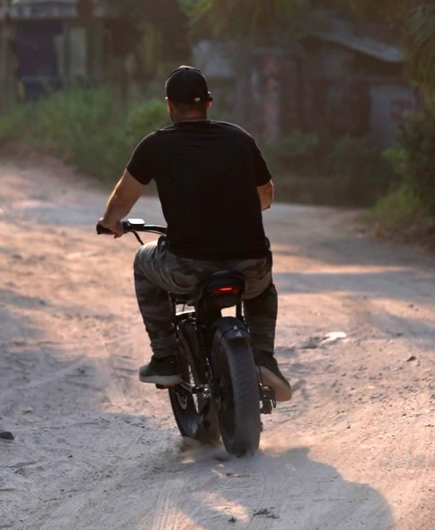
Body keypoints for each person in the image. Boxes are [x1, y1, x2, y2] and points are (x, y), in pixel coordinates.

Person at [98, 66, 292, 402]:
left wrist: (110, 221)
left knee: (143, 261)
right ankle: (263, 355)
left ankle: (166, 359)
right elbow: (266, 195)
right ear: (209, 104)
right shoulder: (239, 139)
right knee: (263, 285)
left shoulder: (156, 145)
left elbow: (124, 196)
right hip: (249, 265)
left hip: (189, 266)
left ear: (169, 105)